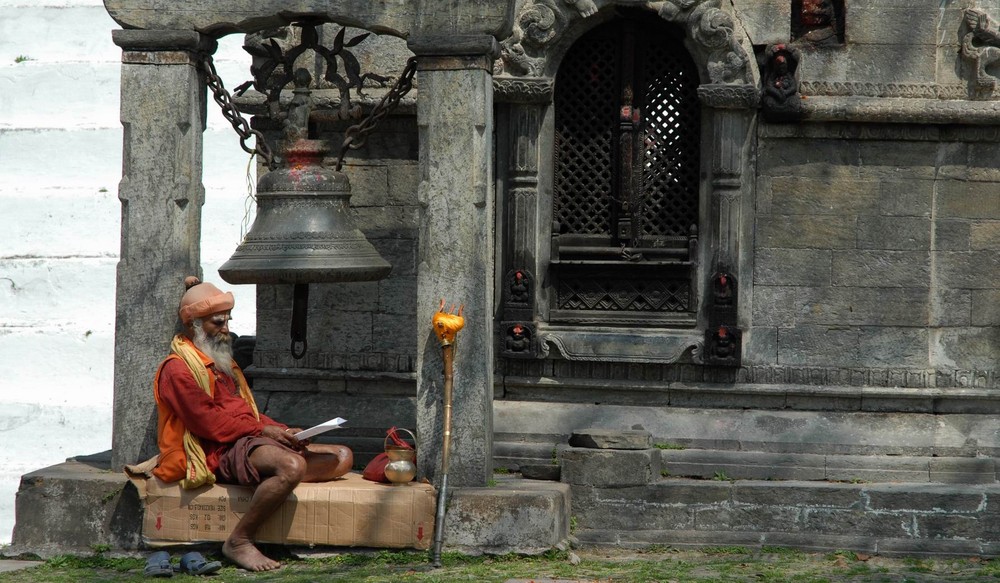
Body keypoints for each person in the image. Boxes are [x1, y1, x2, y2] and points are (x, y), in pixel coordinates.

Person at [151, 276, 353, 572]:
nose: (226, 330)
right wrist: (264, 432)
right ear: (192, 324)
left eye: (227, 322)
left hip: (248, 440)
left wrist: (283, 431)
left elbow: (249, 413)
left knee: (342, 458)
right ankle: (239, 540)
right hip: (218, 449)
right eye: (216, 323)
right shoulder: (177, 369)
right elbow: (209, 423)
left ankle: (271, 477)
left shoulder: (223, 364)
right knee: (292, 466)